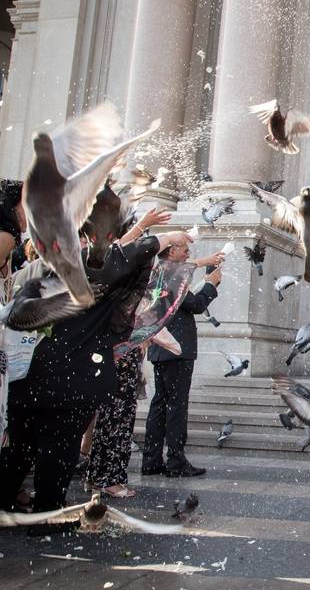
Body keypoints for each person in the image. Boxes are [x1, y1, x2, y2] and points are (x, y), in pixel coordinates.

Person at [0, 230, 191, 514]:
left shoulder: (35, 276)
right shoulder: (88, 274)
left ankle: (5, 500)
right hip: (69, 378)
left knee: (20, 448)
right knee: (58, 450)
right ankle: (47, 514)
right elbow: (128, 257)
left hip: (27, 378)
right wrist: (168, 237)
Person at [85, 207, 171, 498]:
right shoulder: (120, 286)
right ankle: (109, 478)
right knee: (117, 416)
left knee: (112, 416)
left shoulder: (119, 285)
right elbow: (117, 254)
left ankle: (99, 476)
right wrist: (146, 227)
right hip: (119, 353)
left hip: (118, 351)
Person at [142, 241, 224, 478]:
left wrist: (206, 264)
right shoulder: (172, 275)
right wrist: (211, 285)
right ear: (170, 252)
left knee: (160, 403)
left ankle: (151, 459)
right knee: (176, 405)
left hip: (161, 350)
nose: (188, 252)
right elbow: (196, 305)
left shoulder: (159, 274)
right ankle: (176, 461)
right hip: (177, 350)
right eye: (182, 248)